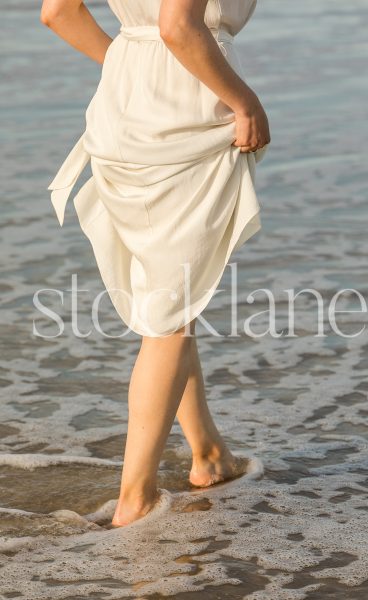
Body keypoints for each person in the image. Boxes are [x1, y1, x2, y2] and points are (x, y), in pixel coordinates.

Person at [41, 0, 271, 527]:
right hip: (185, 112)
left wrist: (129, 61)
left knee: (171, 297)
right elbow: (177, 27)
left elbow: (56, 12)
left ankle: (209, 454)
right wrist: (246, 102)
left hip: (121, 106)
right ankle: (134, 497)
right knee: (168, 314)